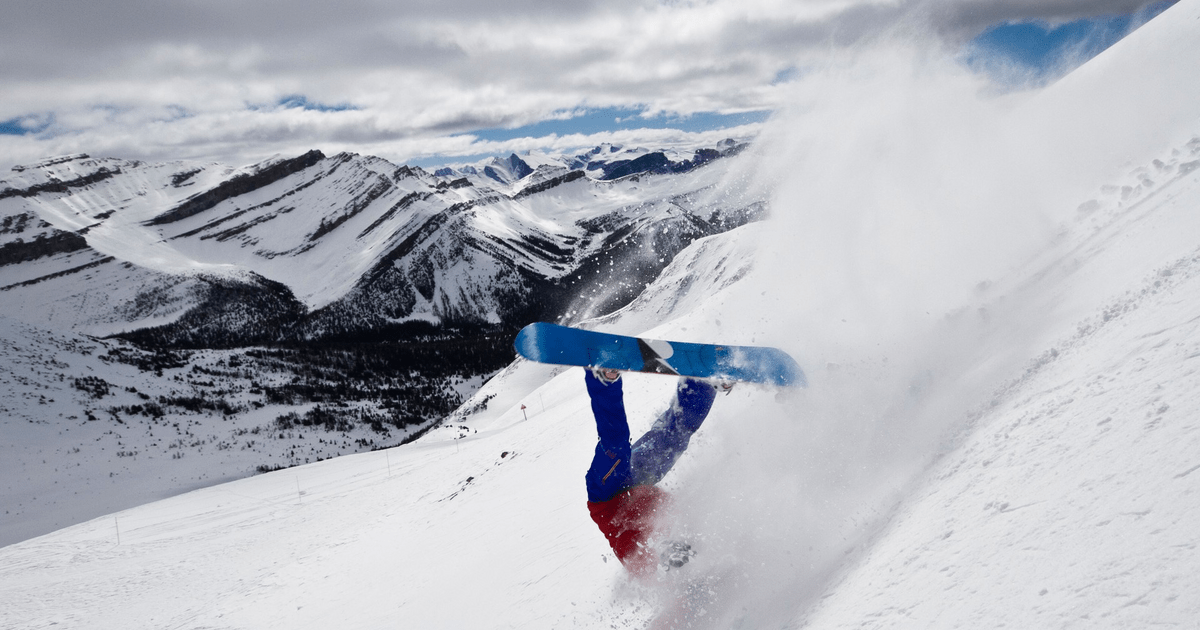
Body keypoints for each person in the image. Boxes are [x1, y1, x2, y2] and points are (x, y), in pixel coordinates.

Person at [583, 367, 724, 576]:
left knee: (616, 446)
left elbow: (653, 557)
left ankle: (603, 379)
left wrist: (668, 554)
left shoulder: (645, 567)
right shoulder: (685, 537)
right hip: (641, 481)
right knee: (675, 437)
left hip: (606, 495)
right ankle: (702, 383)